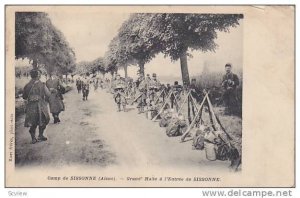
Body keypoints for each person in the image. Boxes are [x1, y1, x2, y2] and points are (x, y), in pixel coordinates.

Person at [23, 69, 51, 144]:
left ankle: (33, 138)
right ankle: (40, 135)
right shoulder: (42, 84)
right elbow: (48, 94)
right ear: (38, 76)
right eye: (39, 74)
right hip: (40, 105)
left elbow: (24, 97)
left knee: (33, 121)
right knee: (44, 119)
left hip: (31, 106)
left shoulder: (27, 85)